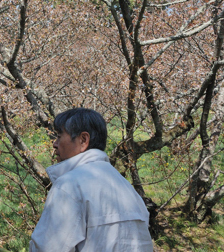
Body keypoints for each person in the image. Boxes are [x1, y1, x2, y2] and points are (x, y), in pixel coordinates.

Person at [29, 108, 153, 252]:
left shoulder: (69, 185)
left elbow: (47, 248)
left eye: (59, 136)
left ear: (83, 140)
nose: (54, 144)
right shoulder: (127, 188)